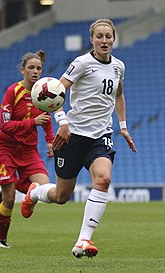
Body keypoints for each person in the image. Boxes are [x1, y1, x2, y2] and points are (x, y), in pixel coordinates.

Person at [21, 19, 137, 258]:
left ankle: (83, 240)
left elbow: (119, 96)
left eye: (108, 36)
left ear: (114, 39)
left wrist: (123, 127)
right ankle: (34, 192)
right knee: (61, 196)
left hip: (101, 136)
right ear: (92, 39)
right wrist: (62, 123)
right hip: (72, 136)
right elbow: (54, 93)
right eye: (99, 36)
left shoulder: (119, 67)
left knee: (103, 179)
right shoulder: (82, 63)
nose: (104, 41)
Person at [0, 50, 54, 248]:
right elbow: (5, 125)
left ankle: (23, 192)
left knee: (44, 187)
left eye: (39, 68)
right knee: (8, 200)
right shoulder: (13, 92)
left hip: (28, 150)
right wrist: (33, 122)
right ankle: (1, 240)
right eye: (31, 68)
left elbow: (47, 118)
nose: (35, 71)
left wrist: (50, 141)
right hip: (6, 148)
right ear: (23, 70)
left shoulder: (42, 93)